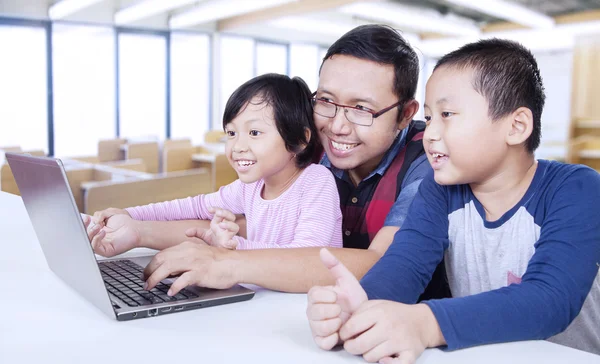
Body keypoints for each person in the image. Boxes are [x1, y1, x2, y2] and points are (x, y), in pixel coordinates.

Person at [86, 25, 449, 297]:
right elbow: (238, 223)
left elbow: (379, 264)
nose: (337, 126)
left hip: (395, 328)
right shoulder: (309, 143)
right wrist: (135, 231)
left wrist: (226, 261)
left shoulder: (426, 159)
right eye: (325, 100)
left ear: (405, 114)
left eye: (362, 109)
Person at [306, 38, 600, 364]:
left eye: (447, 115)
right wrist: (361, 306)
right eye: (430, 118)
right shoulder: (440, 189)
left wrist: (426, 323)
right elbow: (403, 268)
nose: (430, 134)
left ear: (516, 126)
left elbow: (550, 300)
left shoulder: (575, 188)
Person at [88, 73, 343, 269]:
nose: (238, 146)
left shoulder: (316, 182)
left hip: (305, 306)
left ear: (299, 139)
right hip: (268, 297)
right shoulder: (251, 187)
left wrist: (230, 247)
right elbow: (194, 206)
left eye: (254, 133)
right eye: (231, 133)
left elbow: (307, 257)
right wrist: (130, 214)